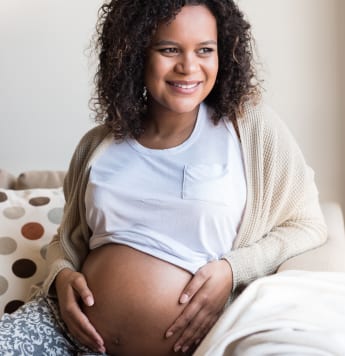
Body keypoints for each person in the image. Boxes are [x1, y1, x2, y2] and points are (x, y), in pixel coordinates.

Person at [0, 0, 327, 355]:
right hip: (63, 330)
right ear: (136, 52)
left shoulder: (249, 129)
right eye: (169, 49)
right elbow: (67, 239)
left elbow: (307, 224)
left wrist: (233, 270)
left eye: (205, 50)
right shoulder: (97, 144)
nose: (189, 66)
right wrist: (61, 275)